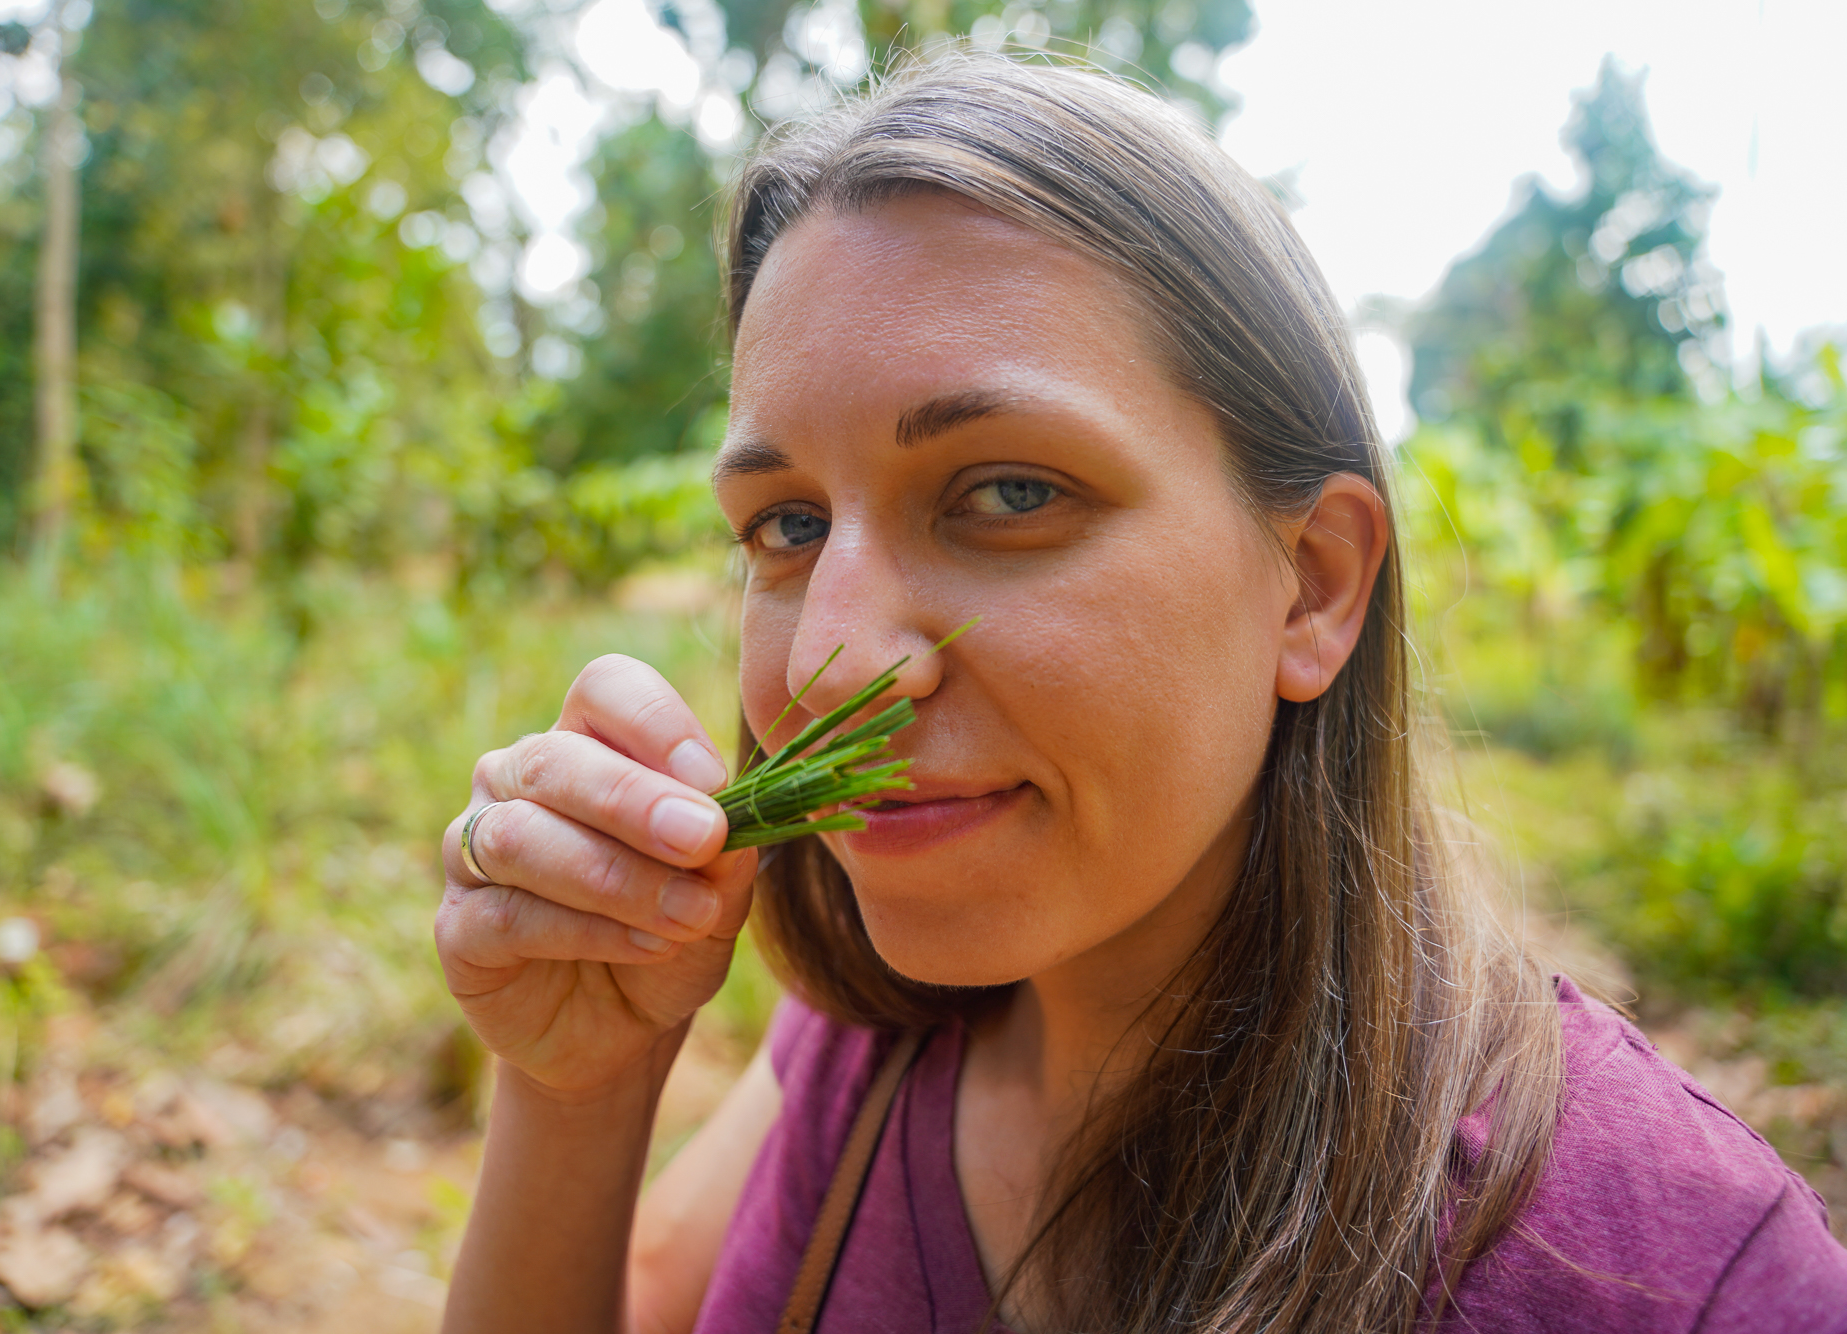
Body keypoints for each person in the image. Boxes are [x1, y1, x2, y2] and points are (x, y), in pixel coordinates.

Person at [432, 54, 1847, 1334]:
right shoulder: (869, 1043)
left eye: (1009, 491)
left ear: (1312, 586)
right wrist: (578, 1091)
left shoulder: (1686, 1281)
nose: (824, 665)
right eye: (788, 526)